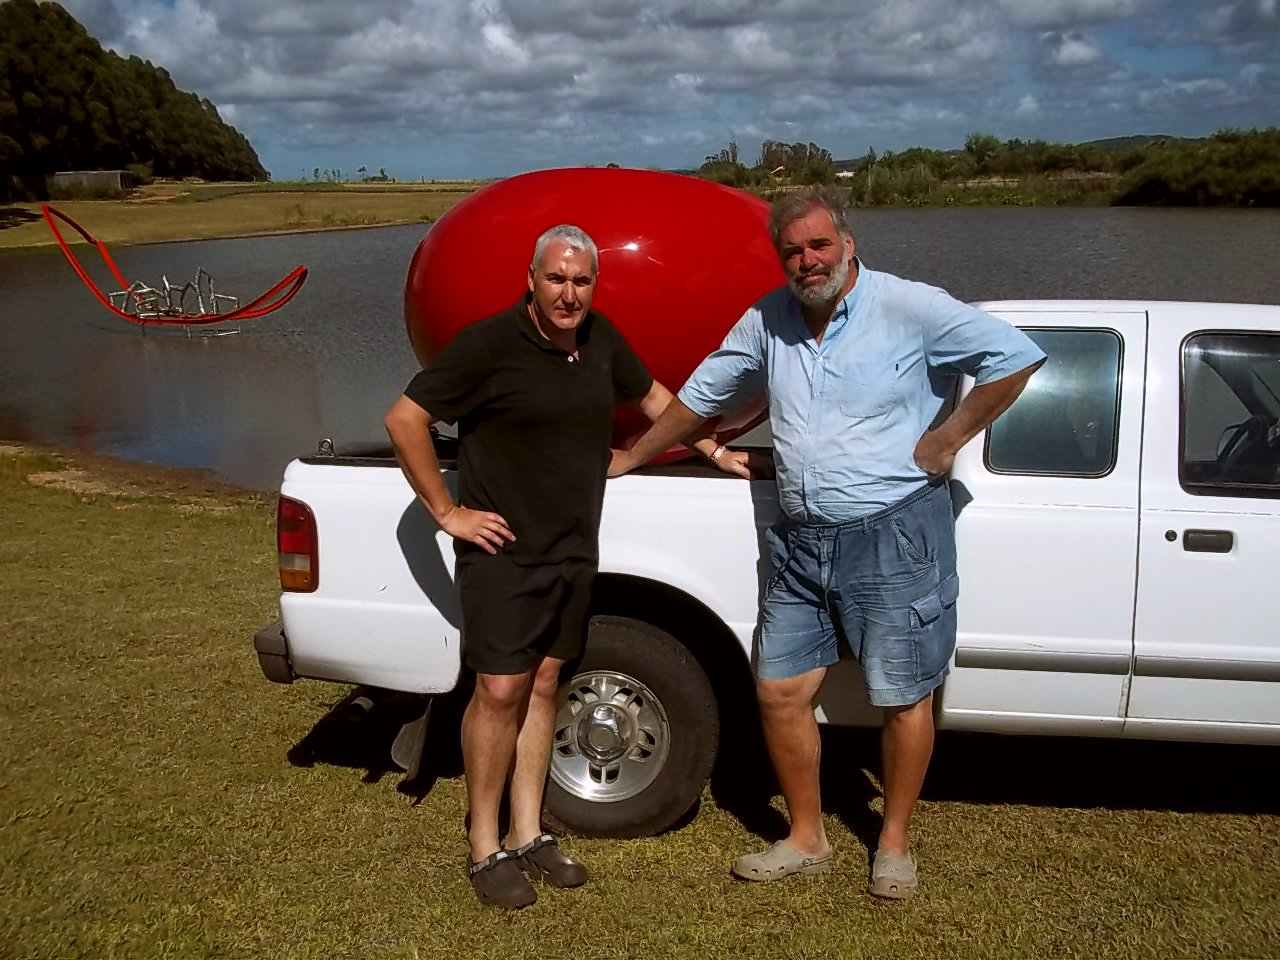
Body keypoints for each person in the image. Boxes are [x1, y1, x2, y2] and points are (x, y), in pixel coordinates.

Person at [609, 188, 1046, 899]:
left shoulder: (910, 306)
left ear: (848, 243)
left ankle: (894, 843)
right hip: (802, 540)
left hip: (896, 533)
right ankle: (807, 837)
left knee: (904, 696)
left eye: (819, 245)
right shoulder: (766, 318)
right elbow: (701, 397)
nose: (807, 261)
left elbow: (1015, 356)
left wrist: (947, 438)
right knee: (780, 690)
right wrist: (631, 455)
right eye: (793, 251)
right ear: (780, 258)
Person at [384, 224, 745, 910]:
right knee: (497, 693)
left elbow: (657, 403)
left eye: (582, 281)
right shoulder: (488, 346)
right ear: (532, 279)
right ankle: (484, 845)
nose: (569, 293)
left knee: (546, 685)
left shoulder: (600, 339)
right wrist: (447, 512)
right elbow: (406, 419)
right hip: (504, 555)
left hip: (574, 549)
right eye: (556, 278)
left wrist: (713, 450)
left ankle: (528, 833)